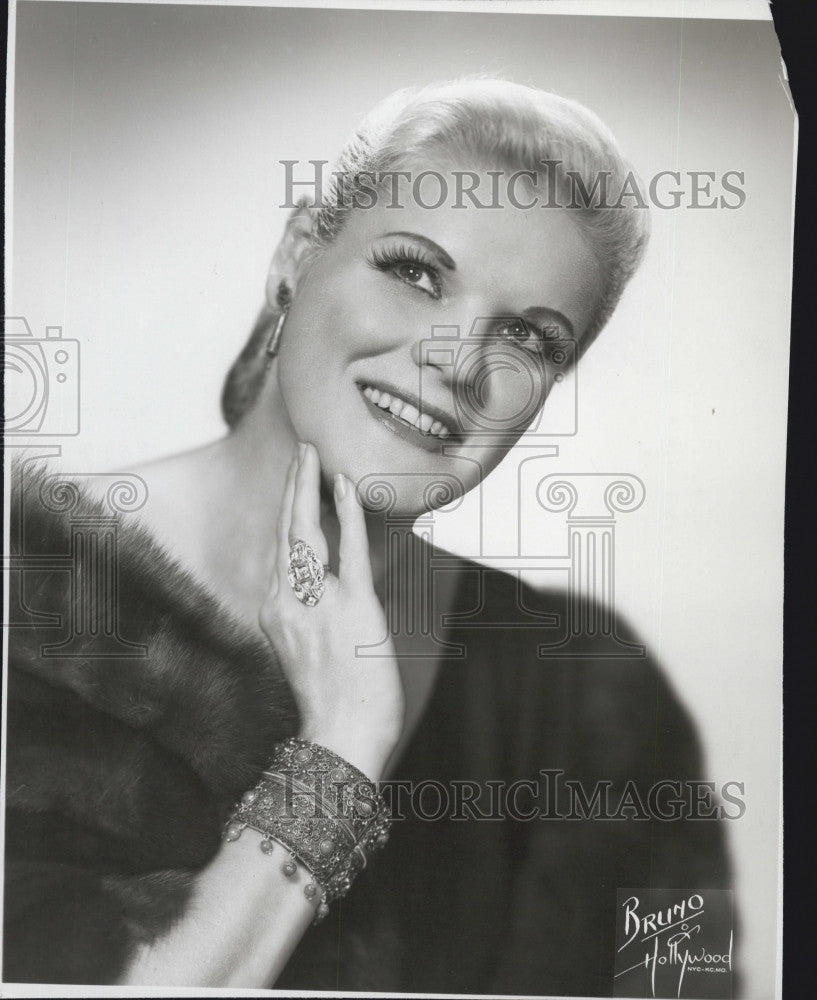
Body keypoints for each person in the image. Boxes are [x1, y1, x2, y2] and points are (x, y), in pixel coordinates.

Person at [4, 79, 733, 993]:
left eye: (529, 338)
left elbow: (692, 984)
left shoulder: (589, 690)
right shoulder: (27, 591)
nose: (458, 364)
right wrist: (342, 745)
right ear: (298, 253)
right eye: (415, 272)